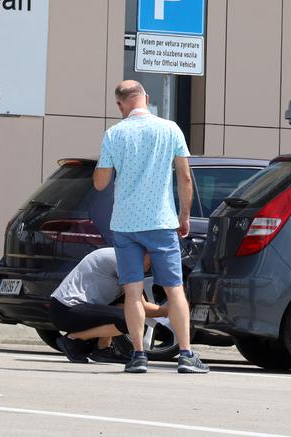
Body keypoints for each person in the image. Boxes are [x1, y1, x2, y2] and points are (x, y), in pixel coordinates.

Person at [94, 80, 207, 374]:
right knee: (174, 290)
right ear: (146, 97)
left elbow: (100, 182)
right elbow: (184, 178)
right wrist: (184, 216)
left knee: (132, 292)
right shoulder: (170, 129)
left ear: (120, 106)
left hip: (125, 224)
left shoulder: (113, 134)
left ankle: (139, 356)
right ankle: (186, 355)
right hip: (160, 222)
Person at [48, 247, 168, 364]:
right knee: (130, 319)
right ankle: (72, 339)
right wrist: (176, 311)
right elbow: (143, 308)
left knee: (124, 308)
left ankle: (103, 349)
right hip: (66, 310)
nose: (151, 267)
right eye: (152, 261)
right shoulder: (125, 261)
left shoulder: (124, 256)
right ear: (144, 252)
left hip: (70, 309)